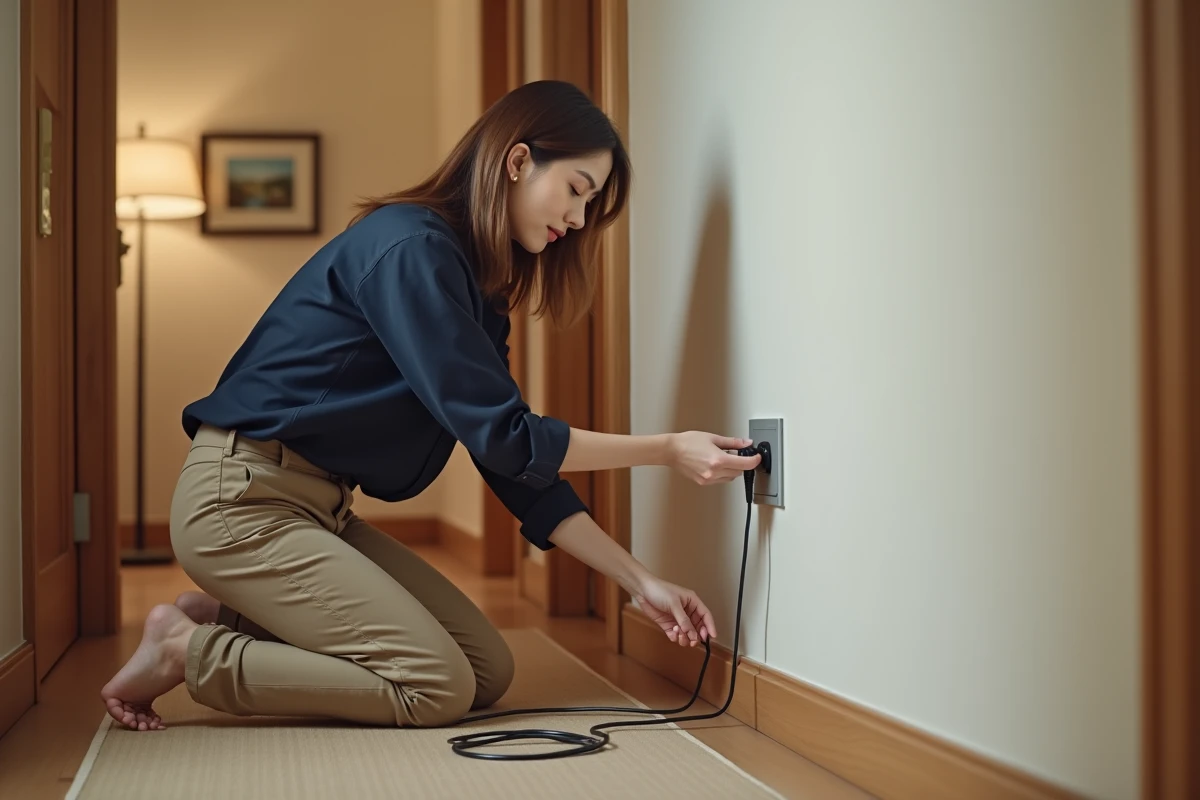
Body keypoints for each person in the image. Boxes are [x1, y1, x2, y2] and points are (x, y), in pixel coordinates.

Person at [100, 80, 762, 732]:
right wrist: (667, 449)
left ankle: (219, 618)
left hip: (315, 508)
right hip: (241, 502)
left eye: (590, 205)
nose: (579, 219)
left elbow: (512, 465)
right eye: (576, 190)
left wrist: (640, 582)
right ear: (518, 160)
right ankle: (186, 652)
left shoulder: (477, 290)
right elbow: (510, 438)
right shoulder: (411, 247)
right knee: (435, 686)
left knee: (485, 670)